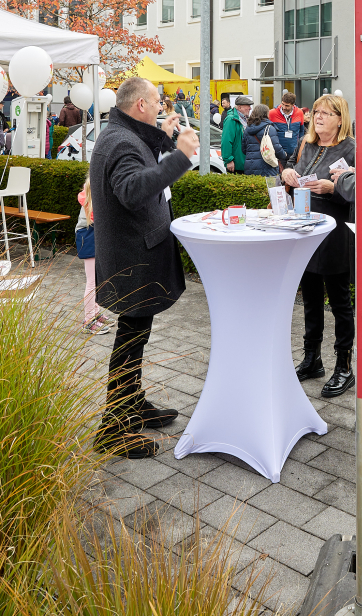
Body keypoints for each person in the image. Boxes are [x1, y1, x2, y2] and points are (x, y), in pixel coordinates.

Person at [89, 76, 199, 459]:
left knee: (134, 336)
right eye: (157, 102)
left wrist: (164, 138)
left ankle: (132, 403)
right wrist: (181, 157)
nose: (162, 106)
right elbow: (134, 190)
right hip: (132, 262)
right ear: (140, 106)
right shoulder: (120, 141)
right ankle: (113, 429)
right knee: (130, 340)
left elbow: (139, 158)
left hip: (132, 258)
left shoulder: (122, 132)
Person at [282, 95, 355, 398]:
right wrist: (286, 175)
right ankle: (312, 359)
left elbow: (360, 191)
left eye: (326, 113)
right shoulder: (307, 144)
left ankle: (344, 366)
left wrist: (333, 187)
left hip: (335, 233)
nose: (319, 117)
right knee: (311, 298)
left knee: (339, 303)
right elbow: (292, 170)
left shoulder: (351, 149)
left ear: (341, 118)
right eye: (316, 113)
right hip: (306, 230)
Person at [75, 177, 113, 335]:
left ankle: (95, 314)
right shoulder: (91, 203)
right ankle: (88, 320)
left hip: (90, 235)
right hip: (88, 236)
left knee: (96, 279)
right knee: (92, 281)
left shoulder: (89, 194)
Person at [242, 103, 287, 176]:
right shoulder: (269, 128)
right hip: (267, 165)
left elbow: (243, 149)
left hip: (250, 166)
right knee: (270, 186)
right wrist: (284, 155)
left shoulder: (247, 129)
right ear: (266, 114)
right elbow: (276, 148)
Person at [269, 91, 305, 161]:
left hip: (294, 153)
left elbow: (301, 131)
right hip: (277, 154)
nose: (284, 107)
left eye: (287, 105)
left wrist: (300, 148)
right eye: (283, 104)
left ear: (293, 105)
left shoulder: (299, 112)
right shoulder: (272, 113)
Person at [221, 94, 253, 173]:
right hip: (236, 165)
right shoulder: (231, 120)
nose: (250, 108)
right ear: (239, 107)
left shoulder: (245, 119)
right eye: (248, 106)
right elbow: (226, 141)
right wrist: (229, 160)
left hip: (245, 164)